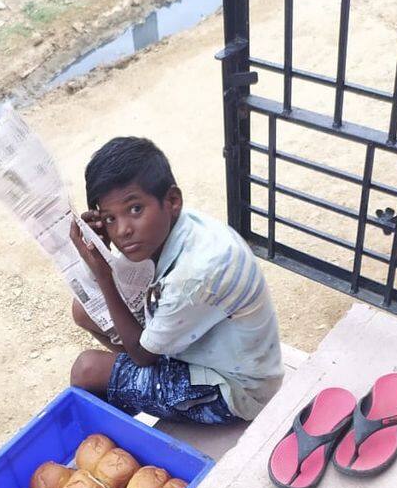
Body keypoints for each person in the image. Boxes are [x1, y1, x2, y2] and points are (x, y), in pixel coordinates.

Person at [69, 136, 283, 425]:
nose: (122, 231)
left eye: (134, 210)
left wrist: (104, 277)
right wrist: (102, 255)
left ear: (171, 200)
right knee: (82, 311)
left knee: (87, 370)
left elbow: (144, 356)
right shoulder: (181, 226)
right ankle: (129, 389)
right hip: (207, 343)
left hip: (238, 391)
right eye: (109, 219)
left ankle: (114, 429)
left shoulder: (192, 278)